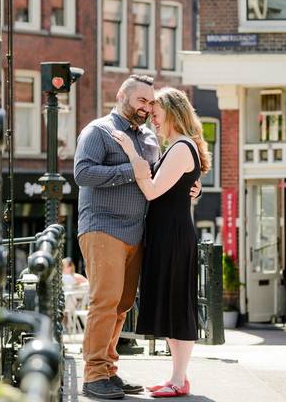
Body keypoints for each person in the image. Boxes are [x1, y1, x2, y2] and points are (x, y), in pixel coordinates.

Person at [74, 75, 199, 400]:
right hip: (103, 227)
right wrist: (133, 169)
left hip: (138, 232)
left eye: (150, 103)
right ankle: (93, 375)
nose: (146, 108)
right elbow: (82, 173)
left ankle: (109, 371)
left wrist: (190, 188)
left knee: (122, 306)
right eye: (141, 100)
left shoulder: (148, 139)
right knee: (104, 302)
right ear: (122, 96)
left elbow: (163, 178)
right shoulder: (98, 131)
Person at [112, 87, 211, 398]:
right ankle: (176, 377)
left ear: (173, 114)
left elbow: (153, 190)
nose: (153, 119)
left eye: (157, 115)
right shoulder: (179, 147)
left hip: (173, 236)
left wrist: (131, 153)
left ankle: (179, 380)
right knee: (171, 303)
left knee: (178, 304)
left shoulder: (181, 147)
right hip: (168, 234)